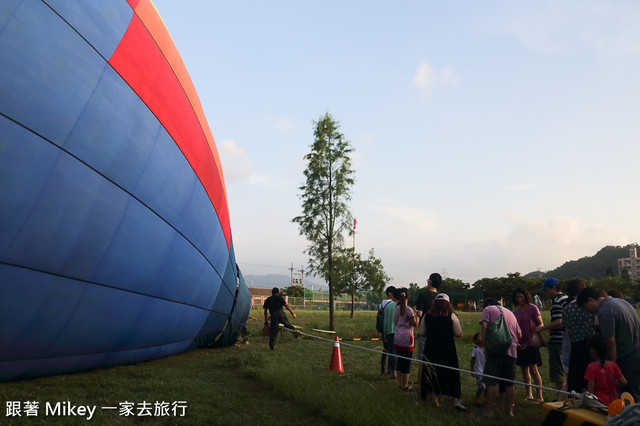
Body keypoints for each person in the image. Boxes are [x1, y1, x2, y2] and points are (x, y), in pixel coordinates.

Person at [577, 287, 640, 401]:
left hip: (627, 359)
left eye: (586, 307)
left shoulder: (604, 311)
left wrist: (612, 368)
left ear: (590, 300)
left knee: (629, 400)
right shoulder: (621, 302)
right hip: (637, 352)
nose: (589, 312)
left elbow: (611, 343)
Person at [421, 293, 466, 411]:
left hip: (431, 348)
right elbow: (458, 333)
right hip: (447, 349)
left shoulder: (427, 315)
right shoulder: (451, 316)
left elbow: (421, 332)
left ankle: (434, 399)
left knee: (433, 372)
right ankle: (455, 399)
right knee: (451, 372)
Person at [479, 298, 522, 418]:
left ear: (487, 304)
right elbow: (519, 334)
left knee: (492, 381)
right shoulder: (510, 313)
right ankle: (509, 412)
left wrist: (485, 346)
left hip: (496, 350)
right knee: (509, 383)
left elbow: (484, 326)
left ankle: (489, 411)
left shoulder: (488, 309)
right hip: (512, 351)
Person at [535, 277, 569, 400]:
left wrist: (542, 328)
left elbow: (558, 321)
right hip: (567, 339)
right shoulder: (566, 299)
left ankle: (561, 398)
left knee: (558, 372)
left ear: (553, 287)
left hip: (558, 341)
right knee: (566, 370)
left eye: (547, 290)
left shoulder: (557, 301)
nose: (546, 293)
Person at [563, 279, 596, 393]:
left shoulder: (567, 309)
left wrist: (571, 351)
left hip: (576, 348)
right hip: (593, 346)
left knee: (576, 385)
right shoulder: (590, 305)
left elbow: (568, 333)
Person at [511, 288, 544, 403]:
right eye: (517, 297)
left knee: (534, 370)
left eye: (521, 296)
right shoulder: (515, 312)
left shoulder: (533, 308)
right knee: (524, 370)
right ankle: (529, 394)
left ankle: (539, 396)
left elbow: (540, 324)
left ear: (525, 296)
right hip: (521, 344)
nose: (519, 299)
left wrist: (536, 333)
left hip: (532, 343)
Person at [584, 334, 628, 406]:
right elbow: (624, 382)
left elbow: (591, 389)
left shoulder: (591, 367)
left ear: (592, 350)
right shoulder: (613, 365)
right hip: (613, 401)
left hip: (598, 402)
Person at [415, 273, 442, 380]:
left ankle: (421, 385)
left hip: (425, 330)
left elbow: (420, 314)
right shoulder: (441, 297)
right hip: (438, 331)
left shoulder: (423, 295)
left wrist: (416, 311)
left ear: (430, 281)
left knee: (423, 360)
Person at [394, 288, 417, 392]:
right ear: (408, 296)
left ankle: (400, 384)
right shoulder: (409, 309)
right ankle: (405, 385)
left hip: (397, 337)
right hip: (407, 338)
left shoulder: (396, 309)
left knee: (400, 361)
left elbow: (395, 322)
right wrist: (416, 314)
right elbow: (414, 324)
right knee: (406, 362)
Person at [380, 286, 397, 378]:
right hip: (391, 329)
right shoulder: (391, 304)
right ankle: (391, 370)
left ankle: (382, 368)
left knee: (385, 350)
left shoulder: (382, 303)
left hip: (384, 329)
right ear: (390, 293)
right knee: (392, 351)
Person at [471, 332, 487, 406]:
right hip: (478, 371)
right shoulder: (475, 349)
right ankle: (477, 397)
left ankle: (486, 400)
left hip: (487, 371)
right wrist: (472, 370)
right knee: (482, 386)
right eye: (480, 336)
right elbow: (473, 359)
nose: (482, 337)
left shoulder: (488, 348)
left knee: (488, 387)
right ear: (476, 341)